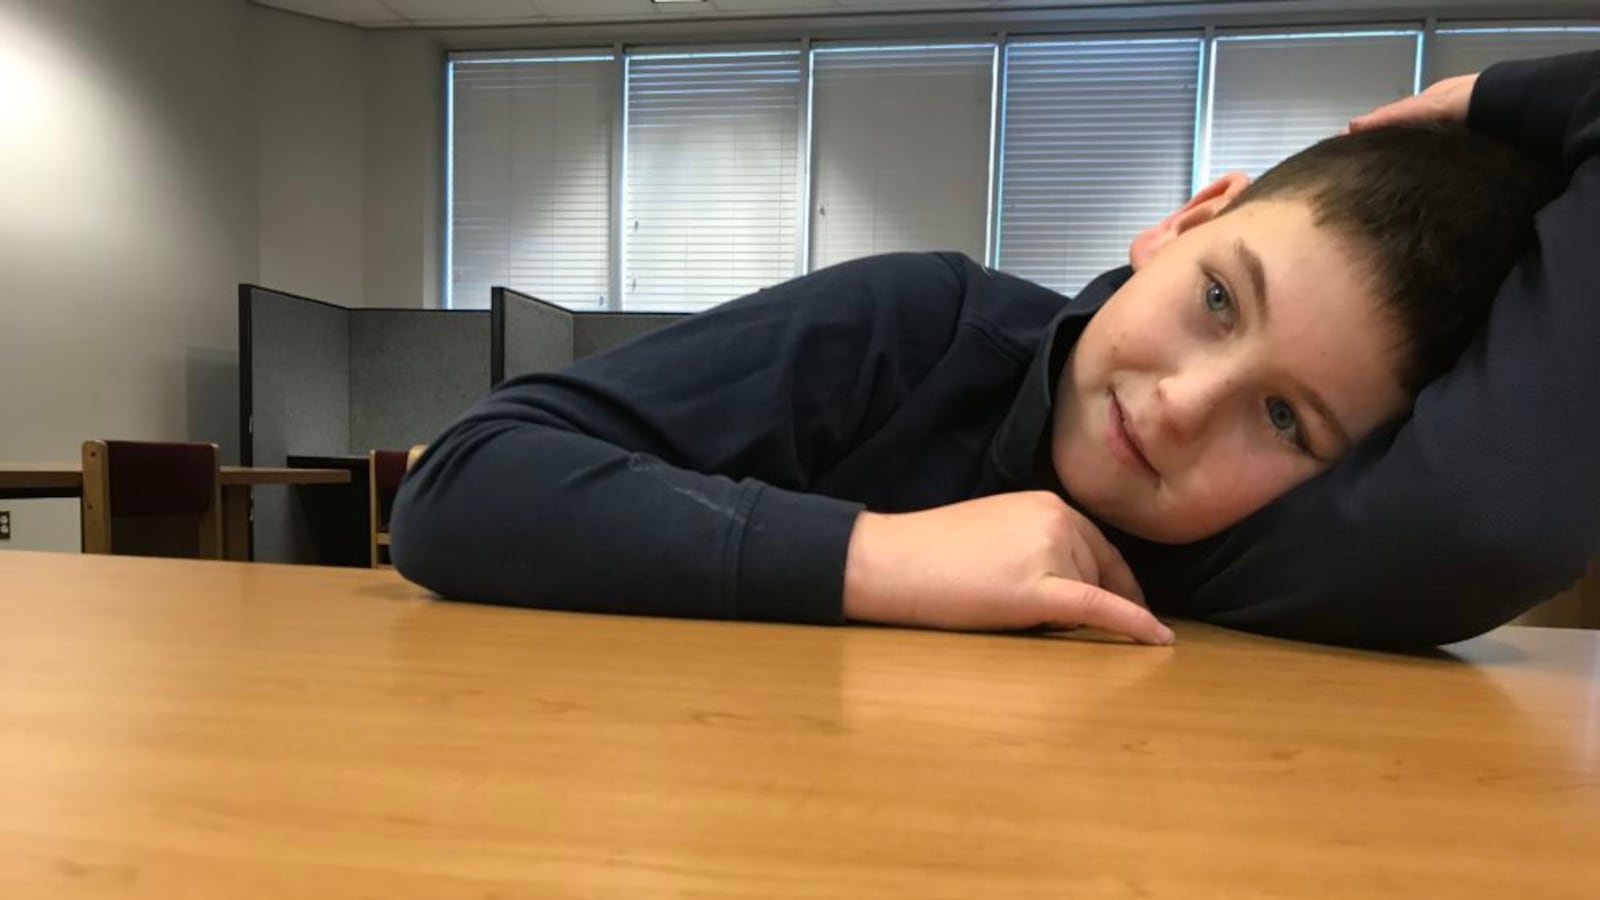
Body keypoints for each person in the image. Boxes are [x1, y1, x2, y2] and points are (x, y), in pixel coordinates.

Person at [391, 52, 1594, 650]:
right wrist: (883, 559)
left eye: (1285, 421)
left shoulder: (1280, 550)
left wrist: (1544, 103)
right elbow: (464, 483)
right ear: (1183, 222)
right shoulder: (918, 332)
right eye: (1219, 299)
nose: (1180, 410)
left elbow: (1505, 513)